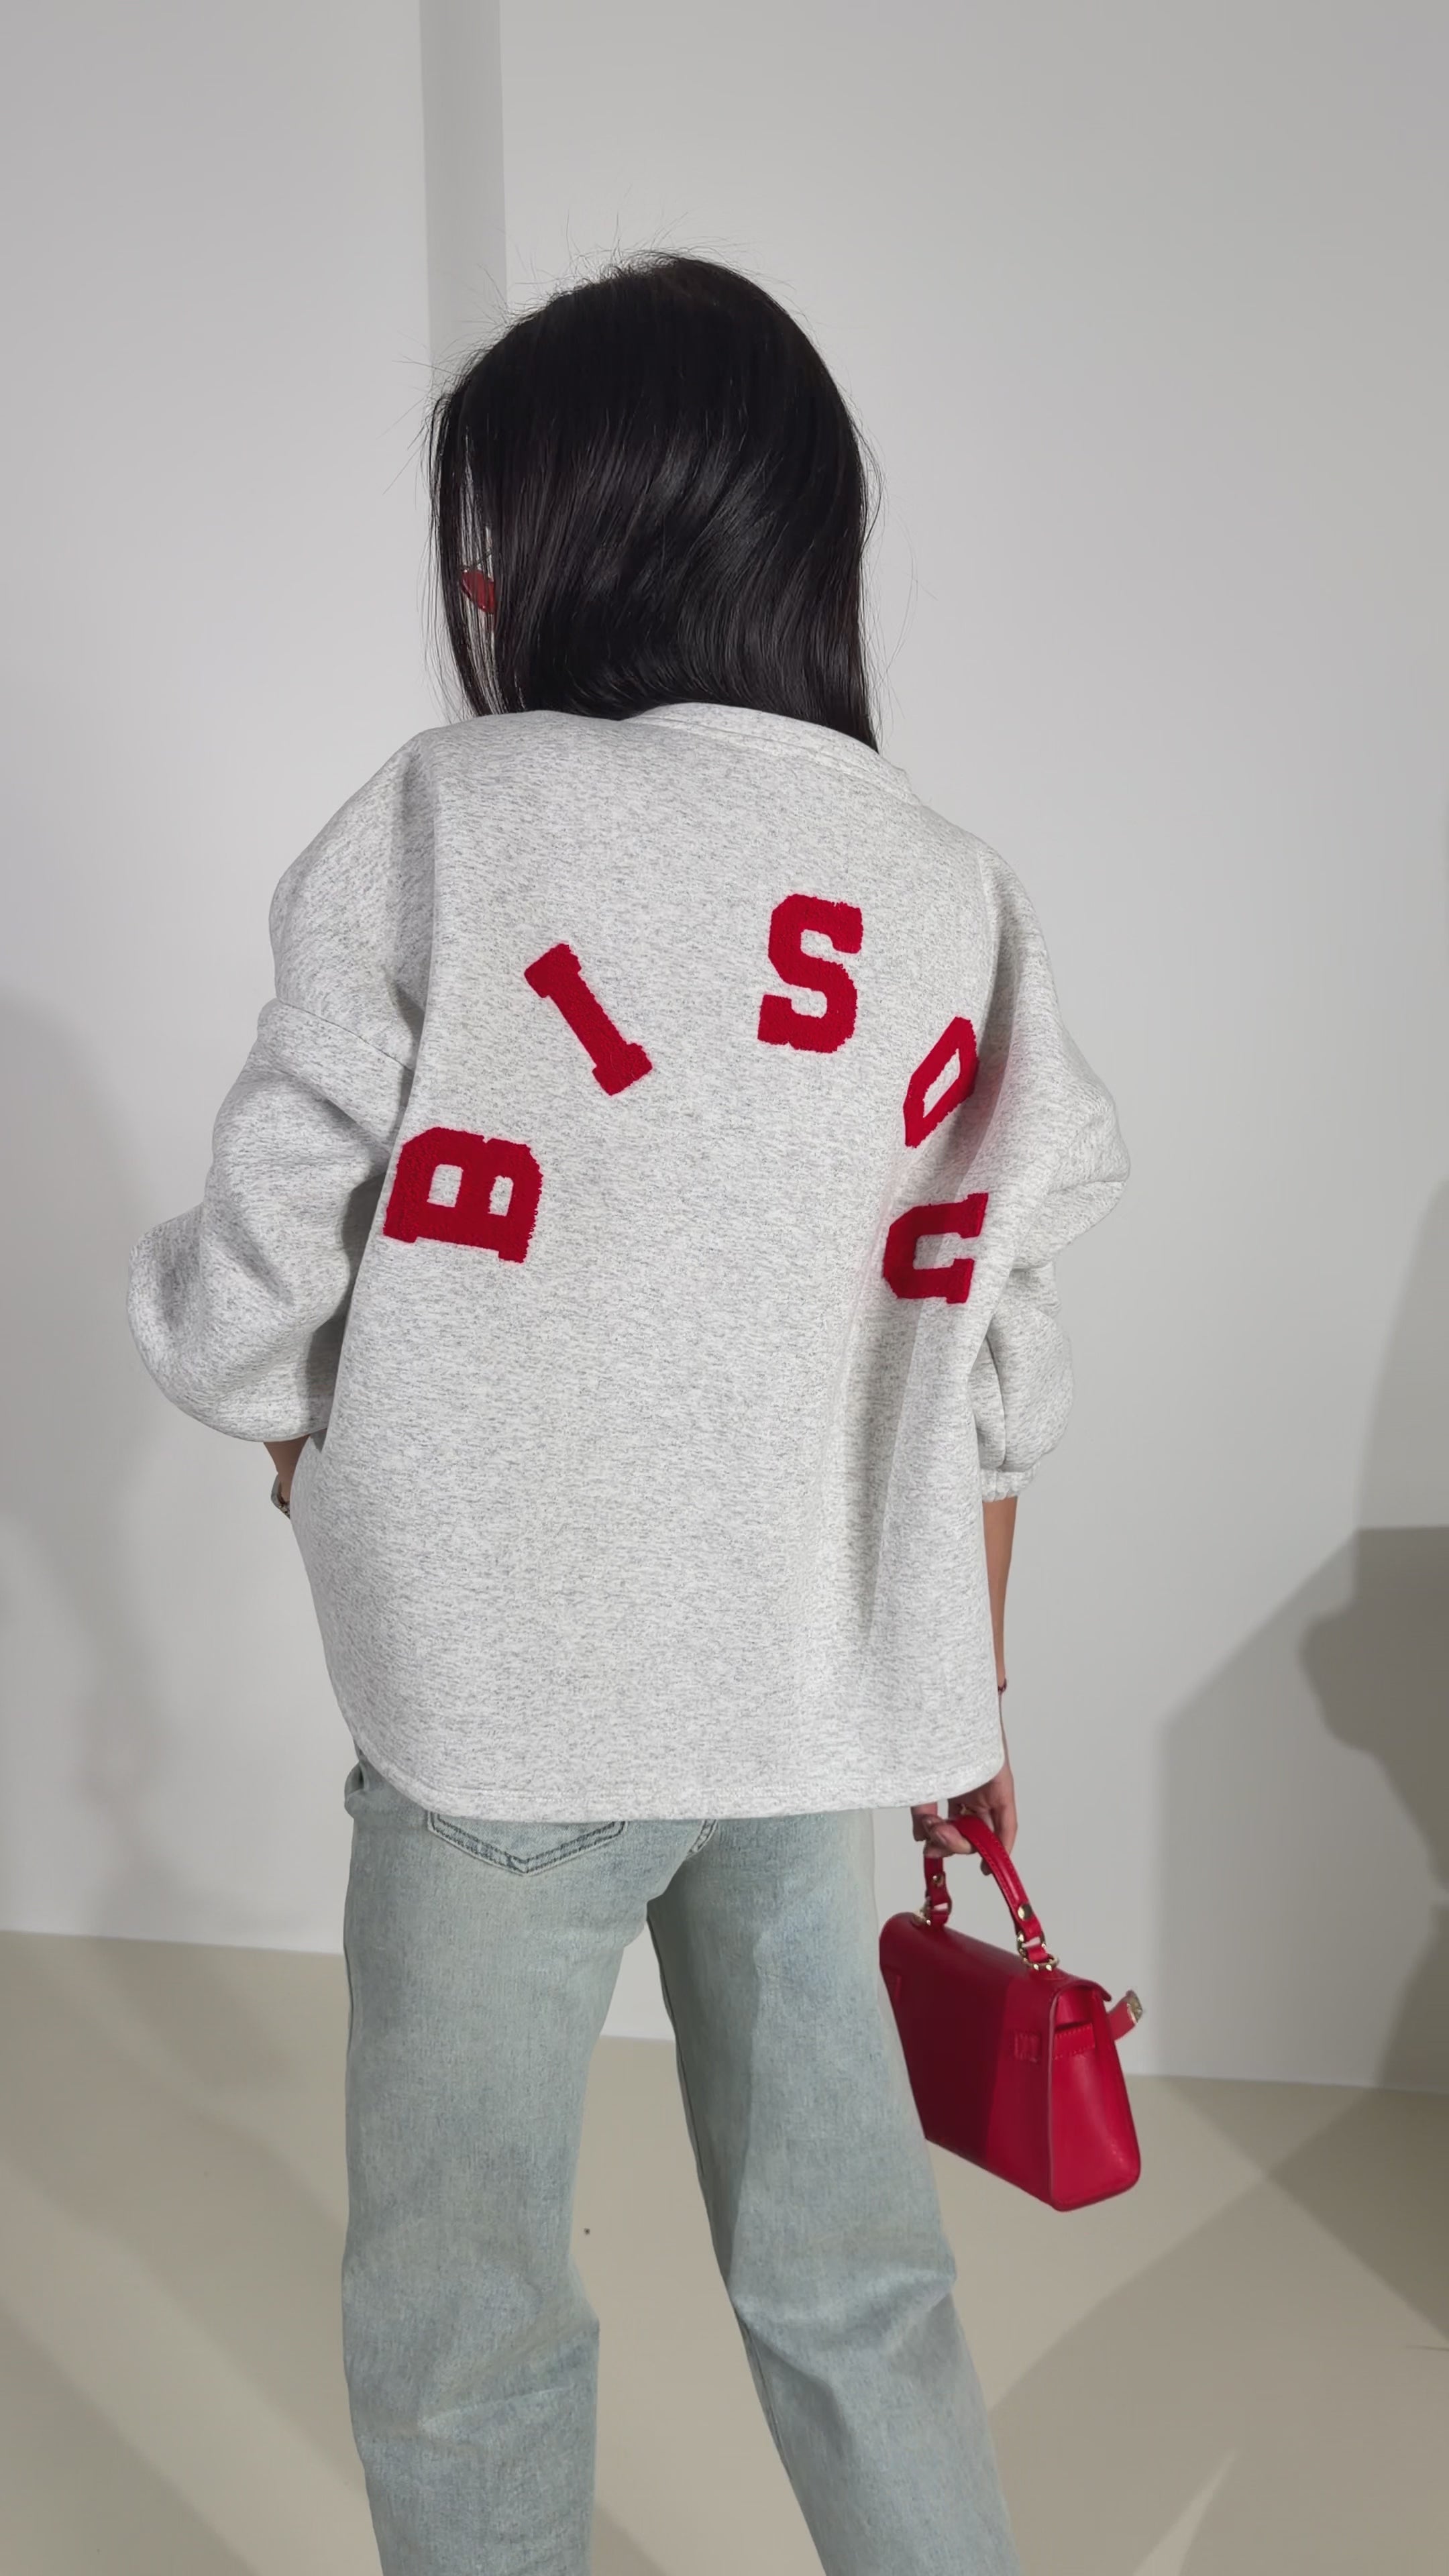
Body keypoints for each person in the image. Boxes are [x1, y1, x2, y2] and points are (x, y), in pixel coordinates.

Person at [127, 252, 1128, 2576]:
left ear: (565, 541)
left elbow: (258, 1269)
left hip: (499, 1731)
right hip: (801, 1722)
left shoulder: (454, 820)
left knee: (465, 2319)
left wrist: (311, 1456)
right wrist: (961, 1708)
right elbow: (987, 1357)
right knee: (854, 2280)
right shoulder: (945, 887)